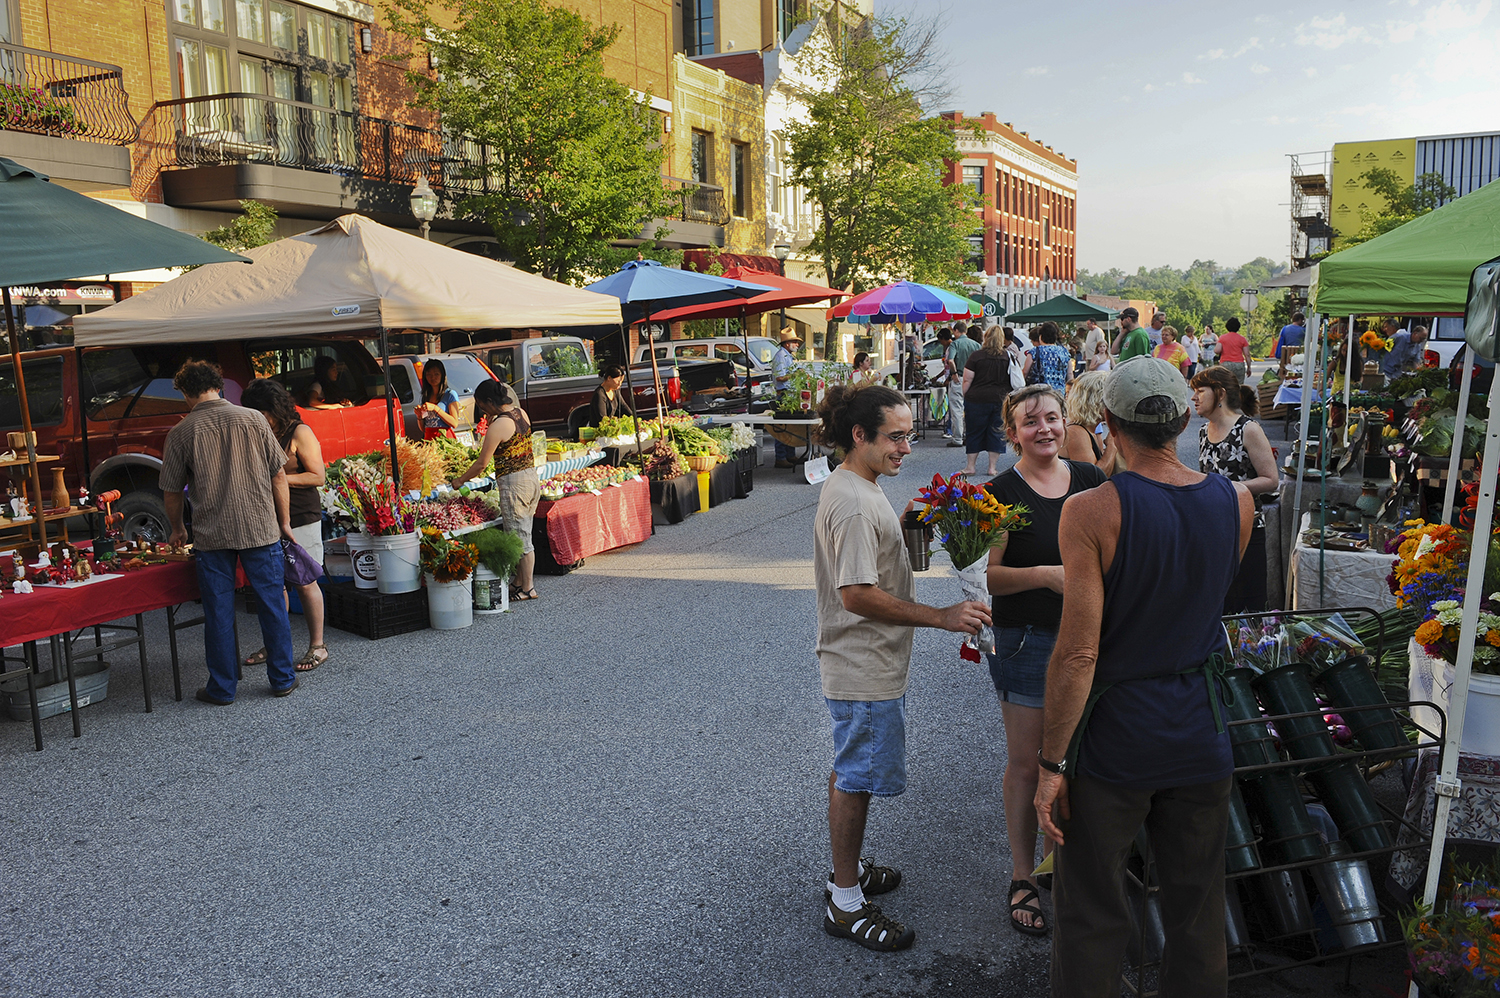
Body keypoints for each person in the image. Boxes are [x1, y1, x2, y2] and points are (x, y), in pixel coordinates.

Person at [1034, 357, 1254, 998]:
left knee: (1094, 913)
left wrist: (1051, 764)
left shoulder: (1092, 510)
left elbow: (1077, 654)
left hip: (1116, 740)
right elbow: (1200, 601)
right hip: (1200, 733)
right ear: (1186, 419)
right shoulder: (1234, 500)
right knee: (1197, 912)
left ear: (1106, 422)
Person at [813, 383, 991, 952]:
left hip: (869, 661)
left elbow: (882, 569)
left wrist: (911, 524)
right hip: (863, 665)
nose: (907, 449)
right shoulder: (854, 500)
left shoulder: (858, 486)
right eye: (896, 437)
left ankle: (849, 871)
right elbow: (857, 594)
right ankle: (845, 901)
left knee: (852, 771)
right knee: (857, 777)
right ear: (859, 435)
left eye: (909, 436)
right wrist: (940, 617)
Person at [984, 384, 1108, 937]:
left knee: (1078, 758)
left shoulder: (1090, 481)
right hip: (1027, 639)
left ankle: (1061, 861)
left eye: (1052, 418)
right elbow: (985, 576)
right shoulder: (998, 494)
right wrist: (1045, 576)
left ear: (1067, 423)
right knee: (1029, 762)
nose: (1044, 429)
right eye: (1029, 422)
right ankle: (1021, 874)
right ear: (1012, 433)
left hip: (1088, 639)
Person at [160, 361, 300, 705]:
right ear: (218, 386)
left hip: (212, 534)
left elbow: (172, 490)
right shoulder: (253, 419)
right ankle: (282, 678)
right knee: (271, 605)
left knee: (219, 612)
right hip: (259, 527)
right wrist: (284, 522)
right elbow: (278, 476)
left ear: (186, 392)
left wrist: (177, 528)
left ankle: (222, 688)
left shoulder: (182, 432)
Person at [240, 378, 330, 672]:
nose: (257, 418)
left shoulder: (299, 431)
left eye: (260, 412)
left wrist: (277, 480)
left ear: (273, 408)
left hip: (301, 515)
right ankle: (276, 643)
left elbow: (318, 476)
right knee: (274, 585)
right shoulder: (258, 432)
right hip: (267, 517)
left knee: (305, 581)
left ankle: (318, 646)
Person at [1192, 366, 1278, 615]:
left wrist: (1227, 488)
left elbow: (1271, 480)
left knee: (1247, 606)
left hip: (1246, 529)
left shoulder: (1247, 429)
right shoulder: (1202, 431)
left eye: (1200, 391)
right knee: (1218, 602)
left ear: (1219, 394)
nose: (1194, 397)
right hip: (1213, 531)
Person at [452, 380, 541, 602]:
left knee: (520, 538)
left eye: (482, 406)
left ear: (490, 402)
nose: (482, 411)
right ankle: (519, 582)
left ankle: (528, 588)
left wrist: (460, 480)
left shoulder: (498, 425)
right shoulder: (520, 413)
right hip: (531, 477)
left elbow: (482, 463)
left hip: (514, 483)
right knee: (523, 530)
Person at [962, 325, 1014, 478]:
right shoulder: (1007, 356)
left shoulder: (976, 356)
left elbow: (967, 379)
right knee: (997, 431)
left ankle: (970, 466)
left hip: (976, 399)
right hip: (1000, 399)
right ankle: (992, 467)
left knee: (974, 431)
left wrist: (966, 395)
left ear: (986, 338)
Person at [1061, 371, 1117, 473]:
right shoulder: (1077, 433)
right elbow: (1094, 478)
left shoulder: (1088, 429)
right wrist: (1112, 444)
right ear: (1097, 401)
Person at [941, 326, 981, 449]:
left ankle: (957, 438)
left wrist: (954, 373)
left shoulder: (955, 344)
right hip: (974, 380)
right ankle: (971, 437)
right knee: (971, 409)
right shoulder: (976, 345)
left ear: (957, 331)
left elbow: (951, 360)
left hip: (959, 379)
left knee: (957, 410)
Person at [772, 329, 803, 469]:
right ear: (786, 344)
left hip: (789, 393)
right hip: (784, 394)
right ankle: (781, 457)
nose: (797, 344)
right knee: (782, 427)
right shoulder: (780, 356)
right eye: (794, 342)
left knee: (790, 426)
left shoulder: (788, 356)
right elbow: (780, 377)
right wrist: (795, 375)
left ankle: (790, 455)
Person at [419, 358, 460, 440]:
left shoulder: (450, 394)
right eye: (429, 374)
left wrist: (435, 408)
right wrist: (419, 415)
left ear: (442, 375)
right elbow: (423, 428)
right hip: (429, 439)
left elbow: (454, 423)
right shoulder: (426, 395)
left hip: (444, 440)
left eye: (436, 374)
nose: (433, 377)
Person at [1029, 322, 1074, 392]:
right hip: (1059, 392)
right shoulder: (1064, 351)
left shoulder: (1035, 351)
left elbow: (1025, 372)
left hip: (1040, 392)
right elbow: (1070, 373)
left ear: (1040, 337)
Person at [1217, 317, 1250, 384]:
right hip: (1238, 364)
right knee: (1239, 384)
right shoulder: (1242, 339)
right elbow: (1247, 354)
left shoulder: (1222, 338)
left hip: (1225, 364)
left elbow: (1217, 350)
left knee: (1225, 384)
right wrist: (1249, 367)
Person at [1275, 312, 1306, 379]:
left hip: (1285, 356)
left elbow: (1279, 339)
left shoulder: (1285, 328)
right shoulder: (1304, 331)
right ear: (1300, 320)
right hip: (1299, 358)